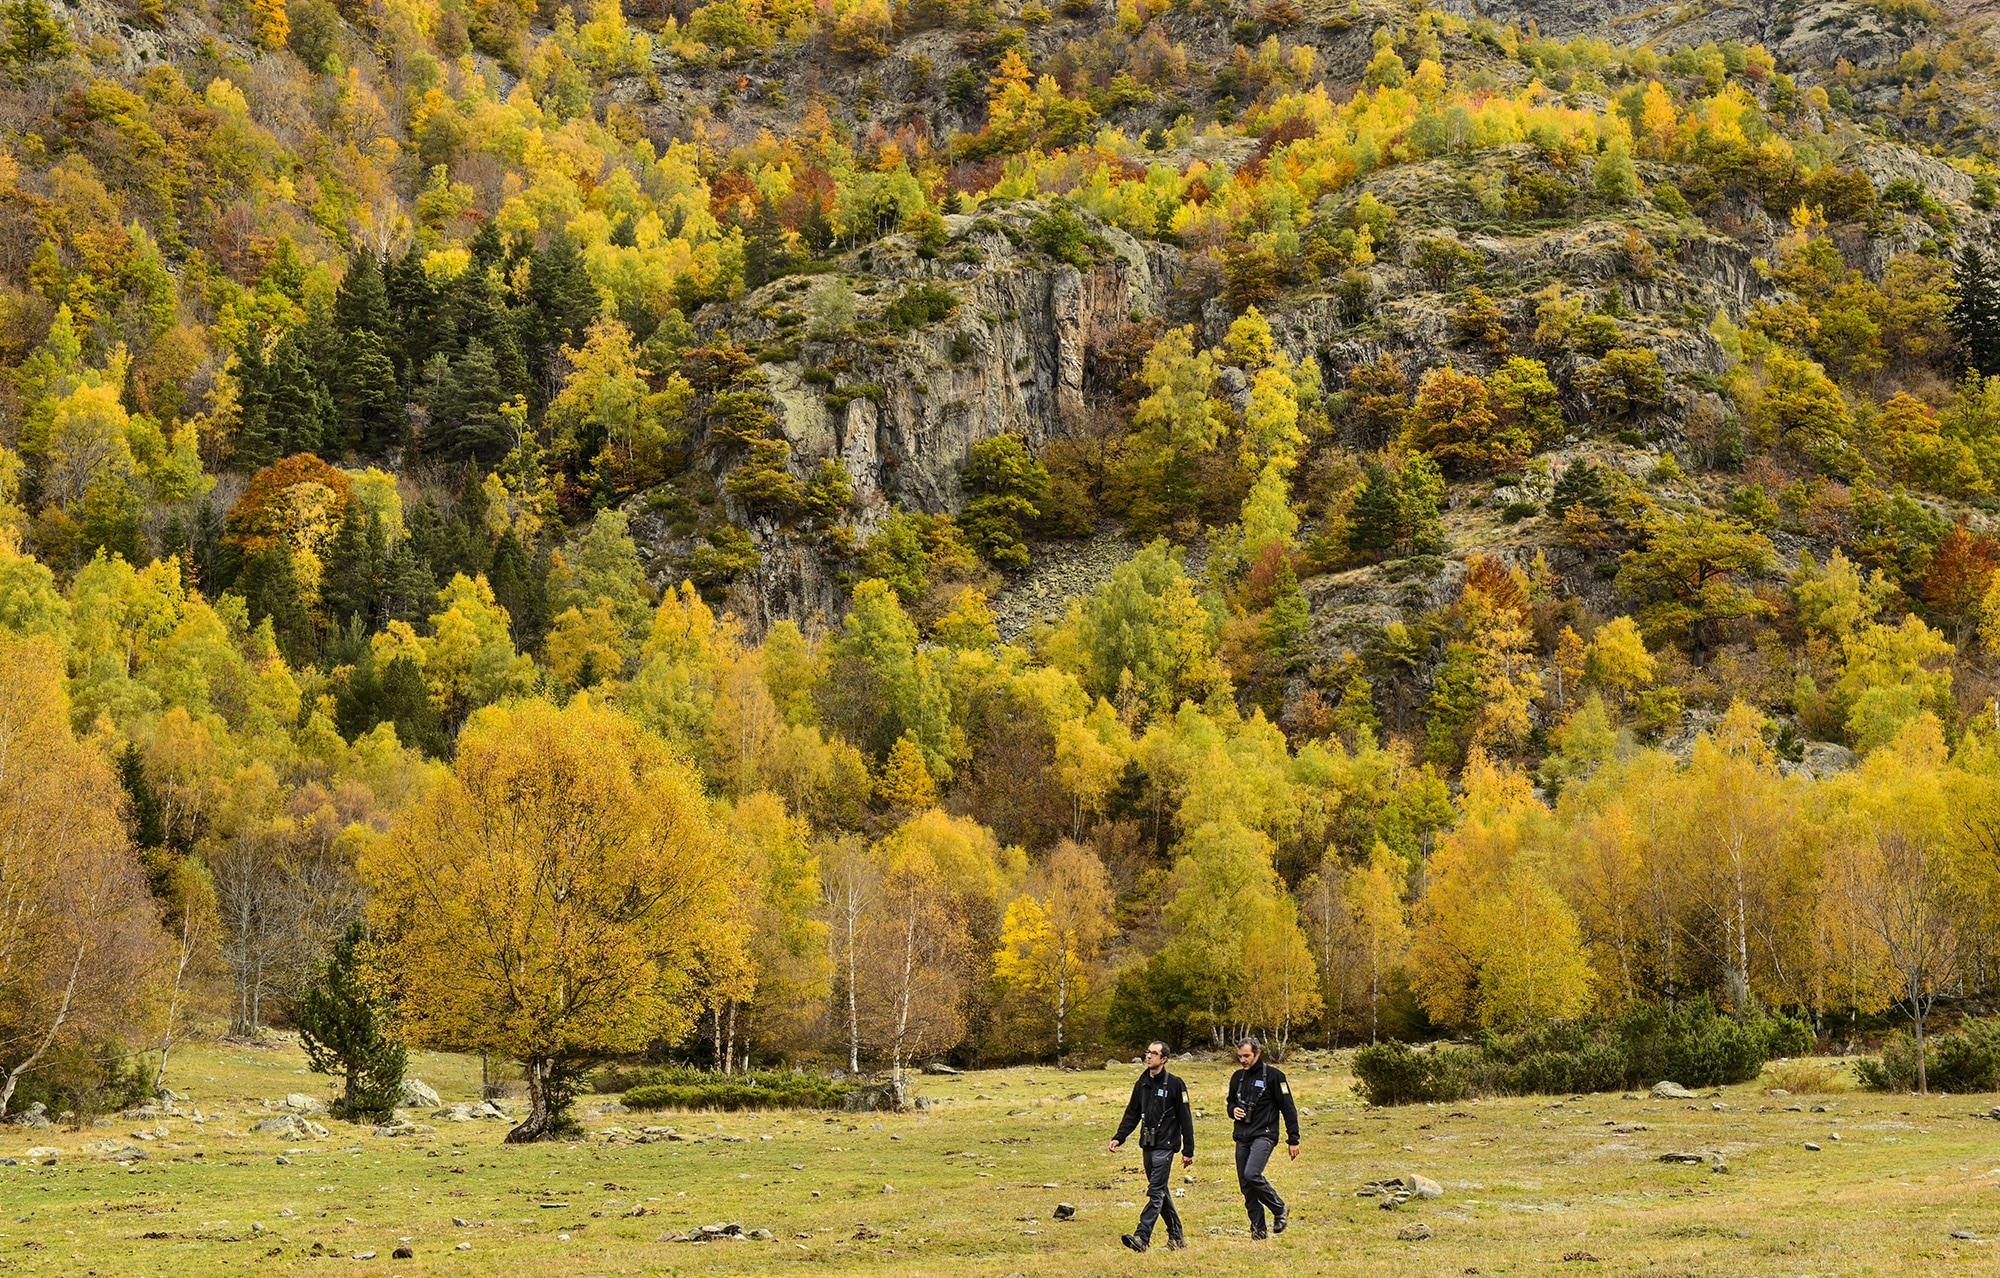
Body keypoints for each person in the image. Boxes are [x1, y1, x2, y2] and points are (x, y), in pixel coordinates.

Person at [1108, 1040, 1194, 1253]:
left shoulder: (1176, 1084)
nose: (1148, 1056)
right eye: (1147, 1052)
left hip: (1166, 1145)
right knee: (1161, 1191)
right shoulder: (1142, 1082)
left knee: (1155, 1191)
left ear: (1164, 1059)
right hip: (1148, 1143)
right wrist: (1120, 1137)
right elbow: (1132, 1112)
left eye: (1154, 1053)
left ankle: (1142, 1236)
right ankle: (1177, 1238)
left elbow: (1186, 1119)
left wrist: (1188, 1150)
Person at [1226, 1036, 1298, 1239]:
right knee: (1245, 1186)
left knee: (1252, 1174)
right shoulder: (1237, 1077)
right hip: (1242, 1136)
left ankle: (1279, 1208)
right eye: (1239, 1056)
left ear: (1257, 1053)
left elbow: (1288, 1108)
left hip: (1264, 1135)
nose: (1243, 1060)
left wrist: (1293, 1139)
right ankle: (1258, 1230)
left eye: (1247, 1056)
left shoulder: (1275, 1076)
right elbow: (1230, 1102)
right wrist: (1233, 1111)